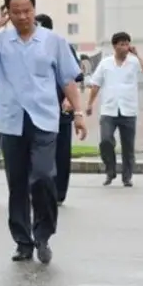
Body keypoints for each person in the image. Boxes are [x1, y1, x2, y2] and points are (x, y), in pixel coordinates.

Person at [0, 0, 86, 264]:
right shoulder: (1, 41)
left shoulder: (53, 41)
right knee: (17, 184)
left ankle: (43, 234)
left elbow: (68, 79)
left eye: (27, 10)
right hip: (12, 121)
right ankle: (23, 241)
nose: (22, 16)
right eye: (15, 11)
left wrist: (78, 111)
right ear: (8, 12)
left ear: (34, 8)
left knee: (42, 176)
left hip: (44, 119)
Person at [86, 32, 143, 187]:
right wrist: (90, 103)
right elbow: (96, 84)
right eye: (121, 44)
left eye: (127, 44)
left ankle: (127, 177)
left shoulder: (134, 62)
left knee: (128, 147)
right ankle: (110, 169)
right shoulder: (105, 63)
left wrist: (138, 54)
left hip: (129, 110)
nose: (124, 47)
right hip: (109, 109)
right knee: (105, 141)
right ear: (114, 46)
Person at [36, 13, 84, 204]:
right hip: (39, 108)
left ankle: (59, 192)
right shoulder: (31, 47)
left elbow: (74, 77)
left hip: (61, 109)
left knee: (61, 152)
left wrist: (70, 101)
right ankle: (41, 189)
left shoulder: (61, 45)